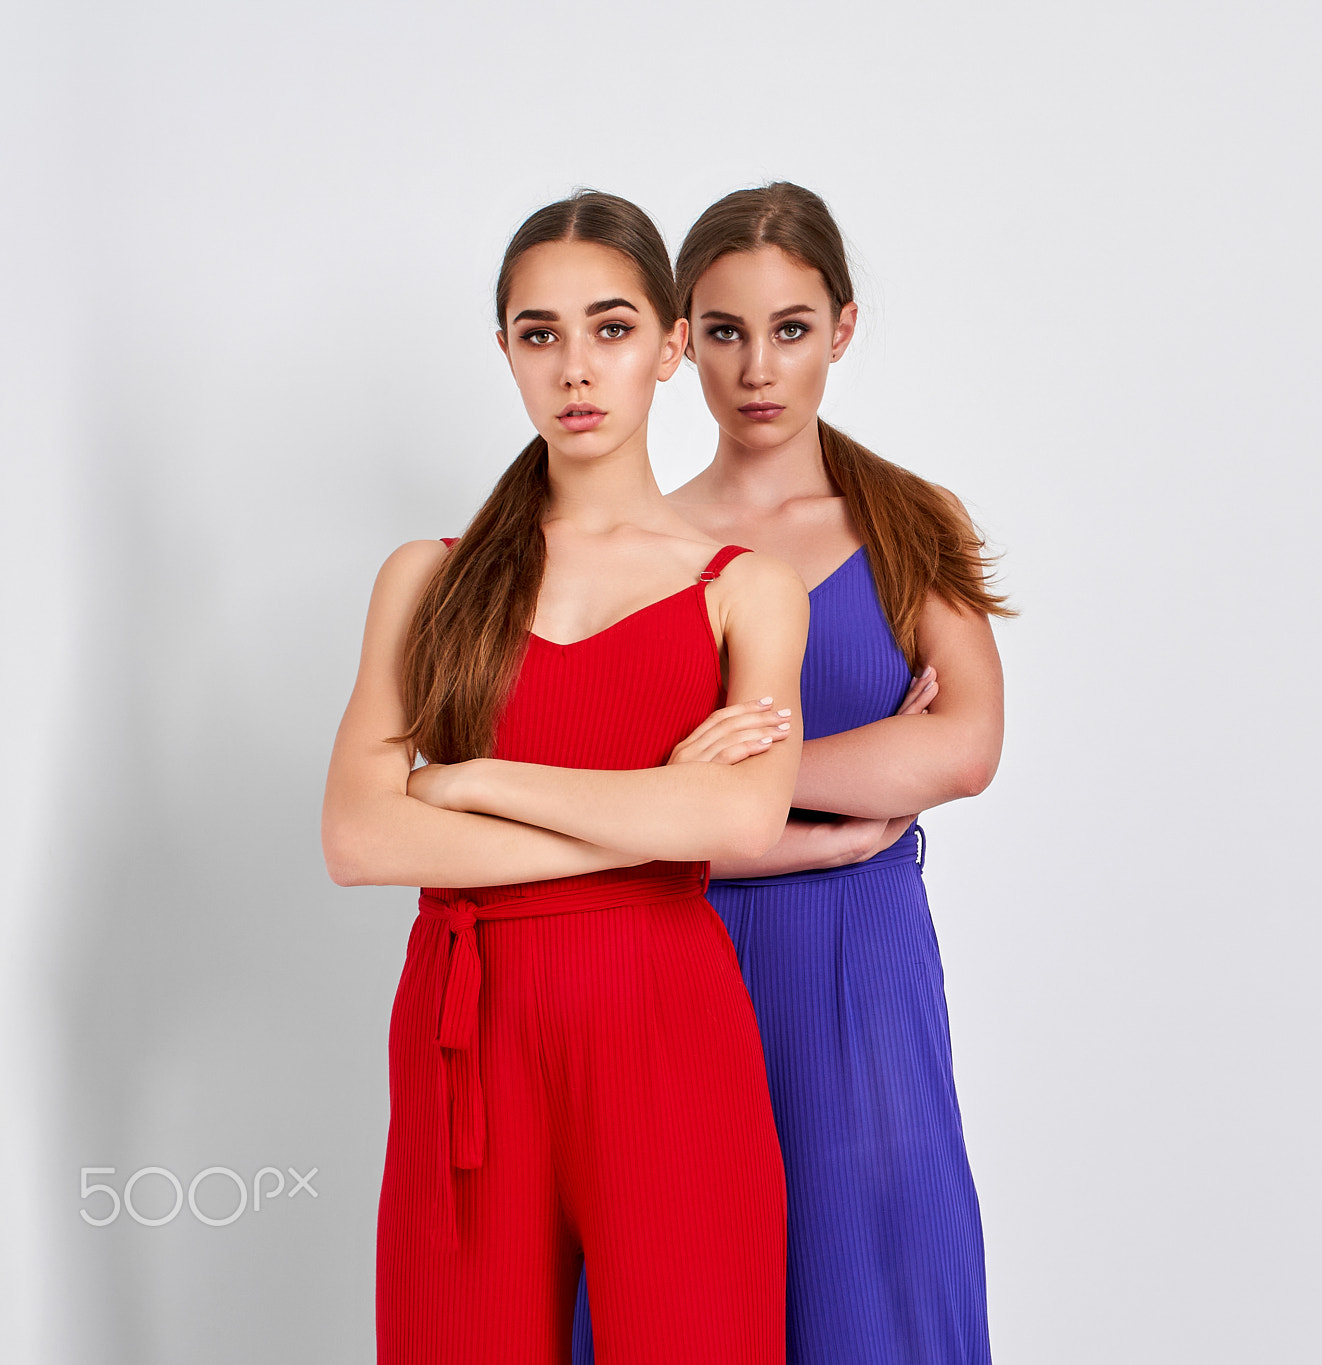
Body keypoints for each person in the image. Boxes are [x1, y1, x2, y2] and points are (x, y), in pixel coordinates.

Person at [320, 189, 807, 1365]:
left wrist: (474, 778)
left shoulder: (745, 587)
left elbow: (741, 819)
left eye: (611, 327)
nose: (576, 368)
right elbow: (360, 841)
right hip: (466, 1037)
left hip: (667, 1029)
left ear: (670, 344)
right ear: (505, 354)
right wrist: (652, 815)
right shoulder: (425, 579)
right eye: (539, 335)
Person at [573, 181, 1010, 1365]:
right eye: (721, 332)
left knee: (875, 1273)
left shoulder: (909, 520)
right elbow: (610, 819)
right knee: (679, 1296)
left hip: (860, 966)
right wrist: (849, 785)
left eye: (790, 328)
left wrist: (731, 775)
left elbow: (962, 748)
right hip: (673, 958)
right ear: (678, 343)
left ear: (843, 328)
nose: (756, 367)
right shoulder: (640, 547)